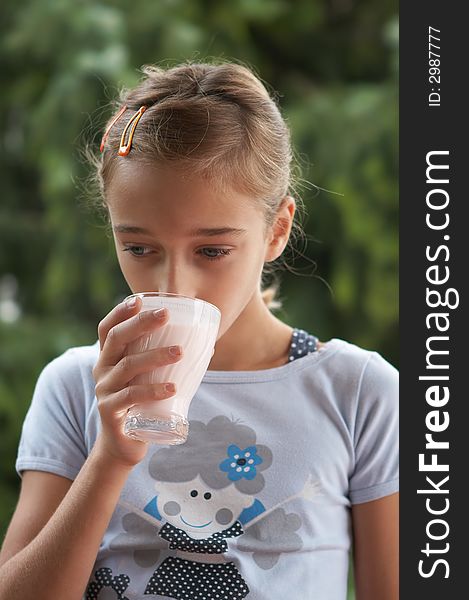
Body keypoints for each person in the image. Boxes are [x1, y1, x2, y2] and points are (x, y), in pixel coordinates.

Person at [0, 61, 398, 600]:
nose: (174, 285)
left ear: (276, 231)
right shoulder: (76, 387)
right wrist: (111, 457)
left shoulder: (357, 392)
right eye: (139, 248)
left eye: (212, 251)